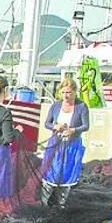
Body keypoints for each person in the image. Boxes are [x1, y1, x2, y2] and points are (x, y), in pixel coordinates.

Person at [40, 76, 90, 209]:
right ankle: (44, 202)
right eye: (63, 92)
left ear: (74, 92)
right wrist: (55, 126)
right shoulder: (56, 106)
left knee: (67, 174)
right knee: (51, 172)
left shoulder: (81, 107)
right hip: (55, 145)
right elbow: (47, 123)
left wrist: (73, 130)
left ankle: (61, 203)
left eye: (68, 92)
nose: (66, 95)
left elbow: (86, 126)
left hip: (72, 146)